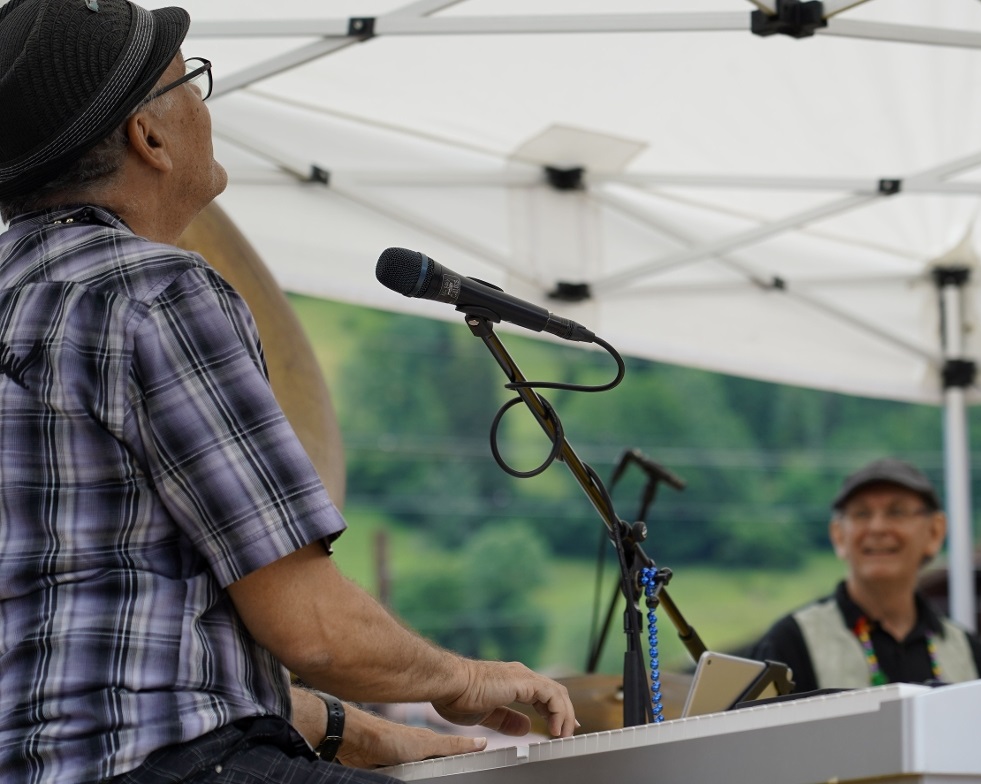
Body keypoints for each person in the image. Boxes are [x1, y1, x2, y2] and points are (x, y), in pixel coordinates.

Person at [0, 2, 576, 782]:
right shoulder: (155, 290)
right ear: (150, 136)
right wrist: (468, 682)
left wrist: (373, 736)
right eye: (190, 83)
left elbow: (104, 650)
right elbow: (310, 630)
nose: (204, 108)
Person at [750, 458, 981, 693]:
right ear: (838, 535)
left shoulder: (970, 654)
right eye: (862, 514)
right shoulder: (791, 644)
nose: (878, 528)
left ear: (935, 532)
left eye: (897, 512)